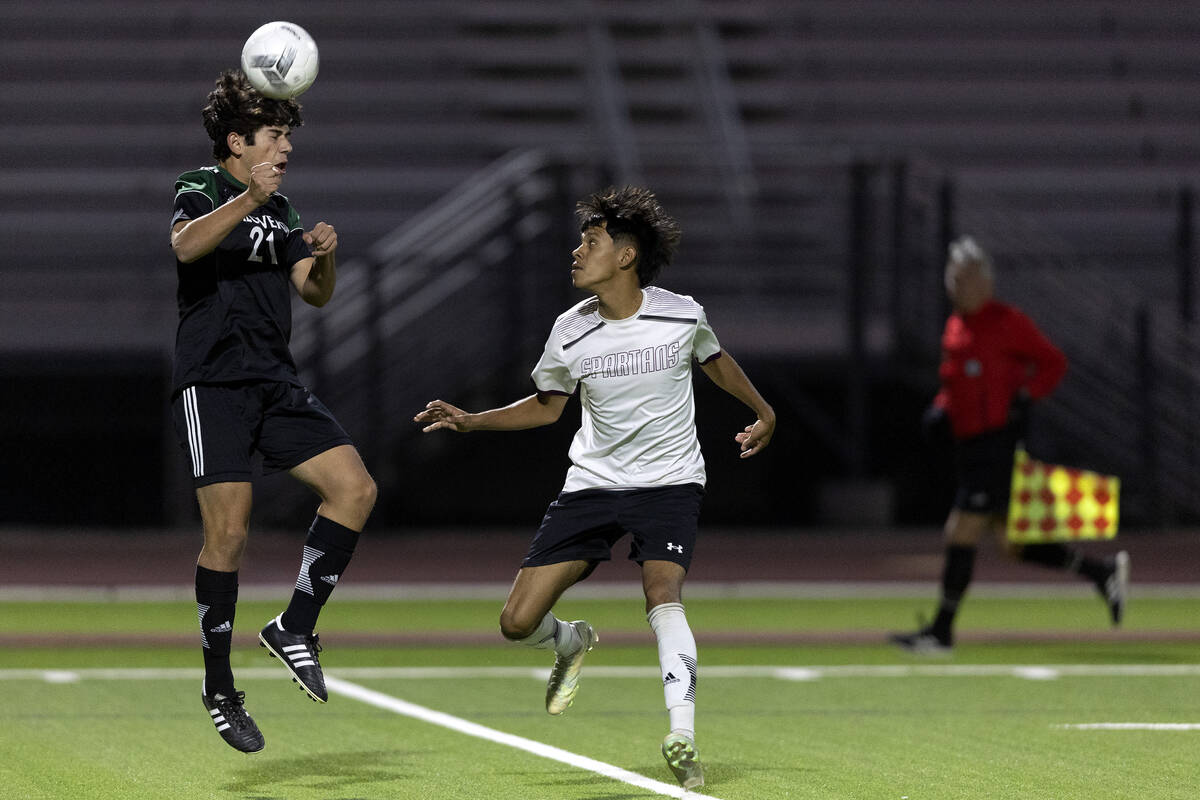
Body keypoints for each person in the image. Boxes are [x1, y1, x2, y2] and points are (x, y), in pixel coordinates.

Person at [414, 186, 775, 789]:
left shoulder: (681, 313)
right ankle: (570, 640)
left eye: (591, 242)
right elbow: (549, 405)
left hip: (669, 481)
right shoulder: (570, 329)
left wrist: (765, 412)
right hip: (593, 485)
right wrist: (475, 420)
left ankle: (682, 735)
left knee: (662, 592)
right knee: (515, 623)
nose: (576, 251)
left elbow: (716, 361)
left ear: (626, 255)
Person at [170, 70, 377, 752]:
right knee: (228, 536)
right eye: (275, 135)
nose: (285, 147)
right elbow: (185, 246)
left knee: (355, 488)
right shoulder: (203, 187)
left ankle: (294, 625)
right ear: (237, 141)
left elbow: (313, 294)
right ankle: (219, 686)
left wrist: (327, 257)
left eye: (288, 135)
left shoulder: (281, 209)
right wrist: (247, 199)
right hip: (216, 383)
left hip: (275, 380)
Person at [890, 236, 1129, 655]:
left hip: (995, 445)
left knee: (960, 530)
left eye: (962, 277)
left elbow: (1053, 362)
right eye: (951, 276)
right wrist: (942, 407)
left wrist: (1026, 395)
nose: (954, 285)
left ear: (984, 282)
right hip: (968, 446)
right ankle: (1102, 573)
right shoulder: (955, 325)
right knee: (1012, 545)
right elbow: (957, 382)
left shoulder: (1008, 321)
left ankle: (942, 633)